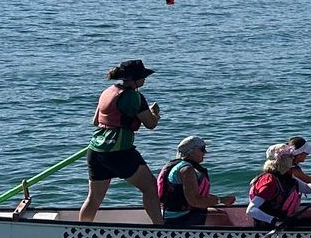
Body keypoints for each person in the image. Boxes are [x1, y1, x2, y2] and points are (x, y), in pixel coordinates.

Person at [80, 59, 164, 223]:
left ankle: (81, 230)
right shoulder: (134, 97)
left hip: (96, 151)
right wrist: (155, 114)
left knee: (94, 198)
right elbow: (151, 124)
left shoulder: (107, 91)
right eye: (142, 76)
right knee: (150, 188)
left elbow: (96, 121)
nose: (144, 79)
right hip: (119, 151)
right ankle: (160, 229)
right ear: (134, 79)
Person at [157, 136, 235, 228]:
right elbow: (194, 201)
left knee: (218, 213)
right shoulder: (187, 170)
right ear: (191, 152)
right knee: (221, 218)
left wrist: (221, 199)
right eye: (202, 149)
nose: (205, 152)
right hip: (178, 219)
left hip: (175, 214)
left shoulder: (179, 166)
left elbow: (194, 197)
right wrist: (221, 200)